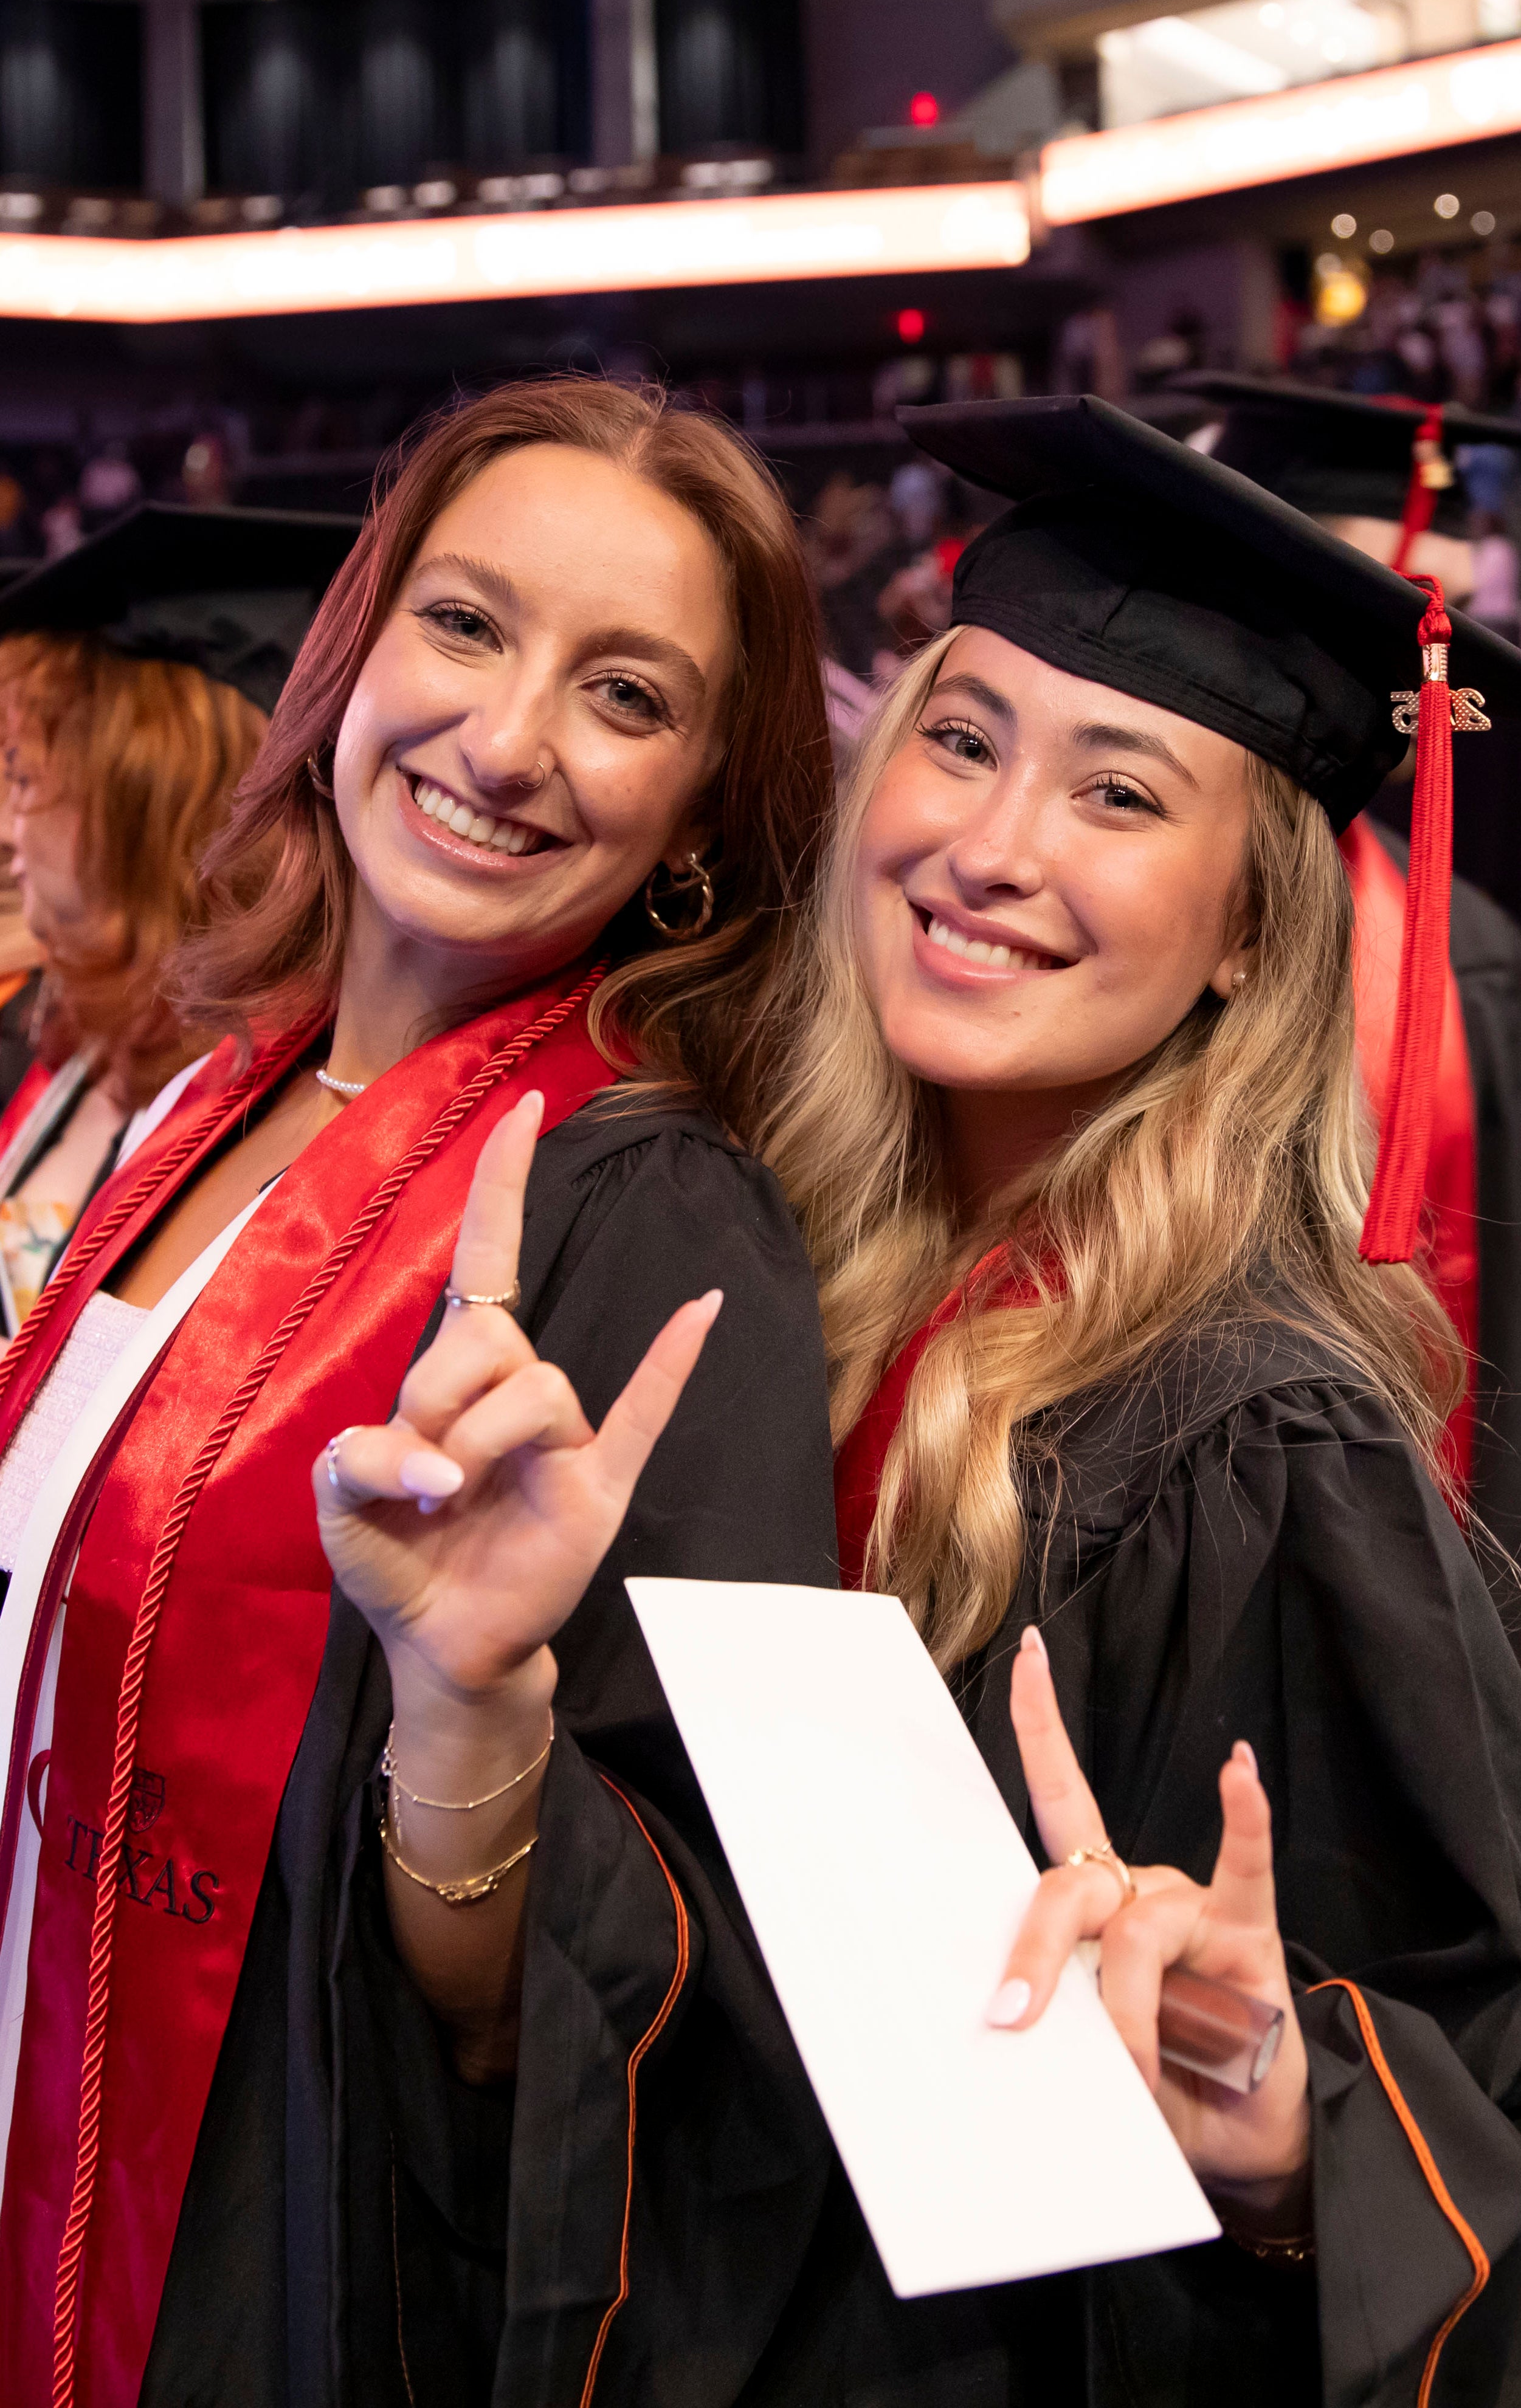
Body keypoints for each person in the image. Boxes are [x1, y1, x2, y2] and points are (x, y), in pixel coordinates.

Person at [0, 377, 838, 2405]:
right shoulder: (210, 1091)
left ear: (709, 808)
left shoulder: (647, 1218)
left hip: (266, 2275)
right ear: (357, 644)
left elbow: (610, 2006)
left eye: (626, 697)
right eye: (464, 623)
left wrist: (467, 1706)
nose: (507, 738)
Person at [759, 396, 1521, 2399]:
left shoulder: (1264, 1446)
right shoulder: (774, 1277)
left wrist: (1283, 2141)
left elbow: (1466, 2069)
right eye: (961, 735)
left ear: (1246, 932)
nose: (987, 849)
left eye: (1117, 796)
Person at [1185, 374, 1521, 1570]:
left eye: (1463, 609)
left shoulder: (1461, 946)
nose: (1444, 664)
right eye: (1401, 601)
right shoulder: (1129, 909)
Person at [0, 506, 359, 1335]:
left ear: (138, 810)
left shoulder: (285, 1106)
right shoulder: (73, 1032)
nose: (9, 829)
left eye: (23, 780)